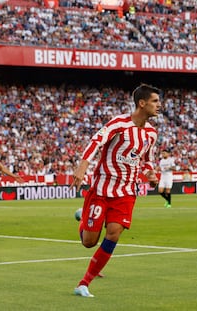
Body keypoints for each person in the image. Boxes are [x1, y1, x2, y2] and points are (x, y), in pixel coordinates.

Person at [70, 83, 161, 298]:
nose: (159, 105)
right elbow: (95, 142)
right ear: (142, 103)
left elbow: (145, 159)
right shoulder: (119, 124)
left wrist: (150, 173)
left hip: (127, 192)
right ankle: (83, 217)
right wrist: (82, 167)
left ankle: (84, 283)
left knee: (113, 233)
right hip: (101, 189)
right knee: (89, 242)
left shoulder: (151, 134)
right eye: (155, 101)